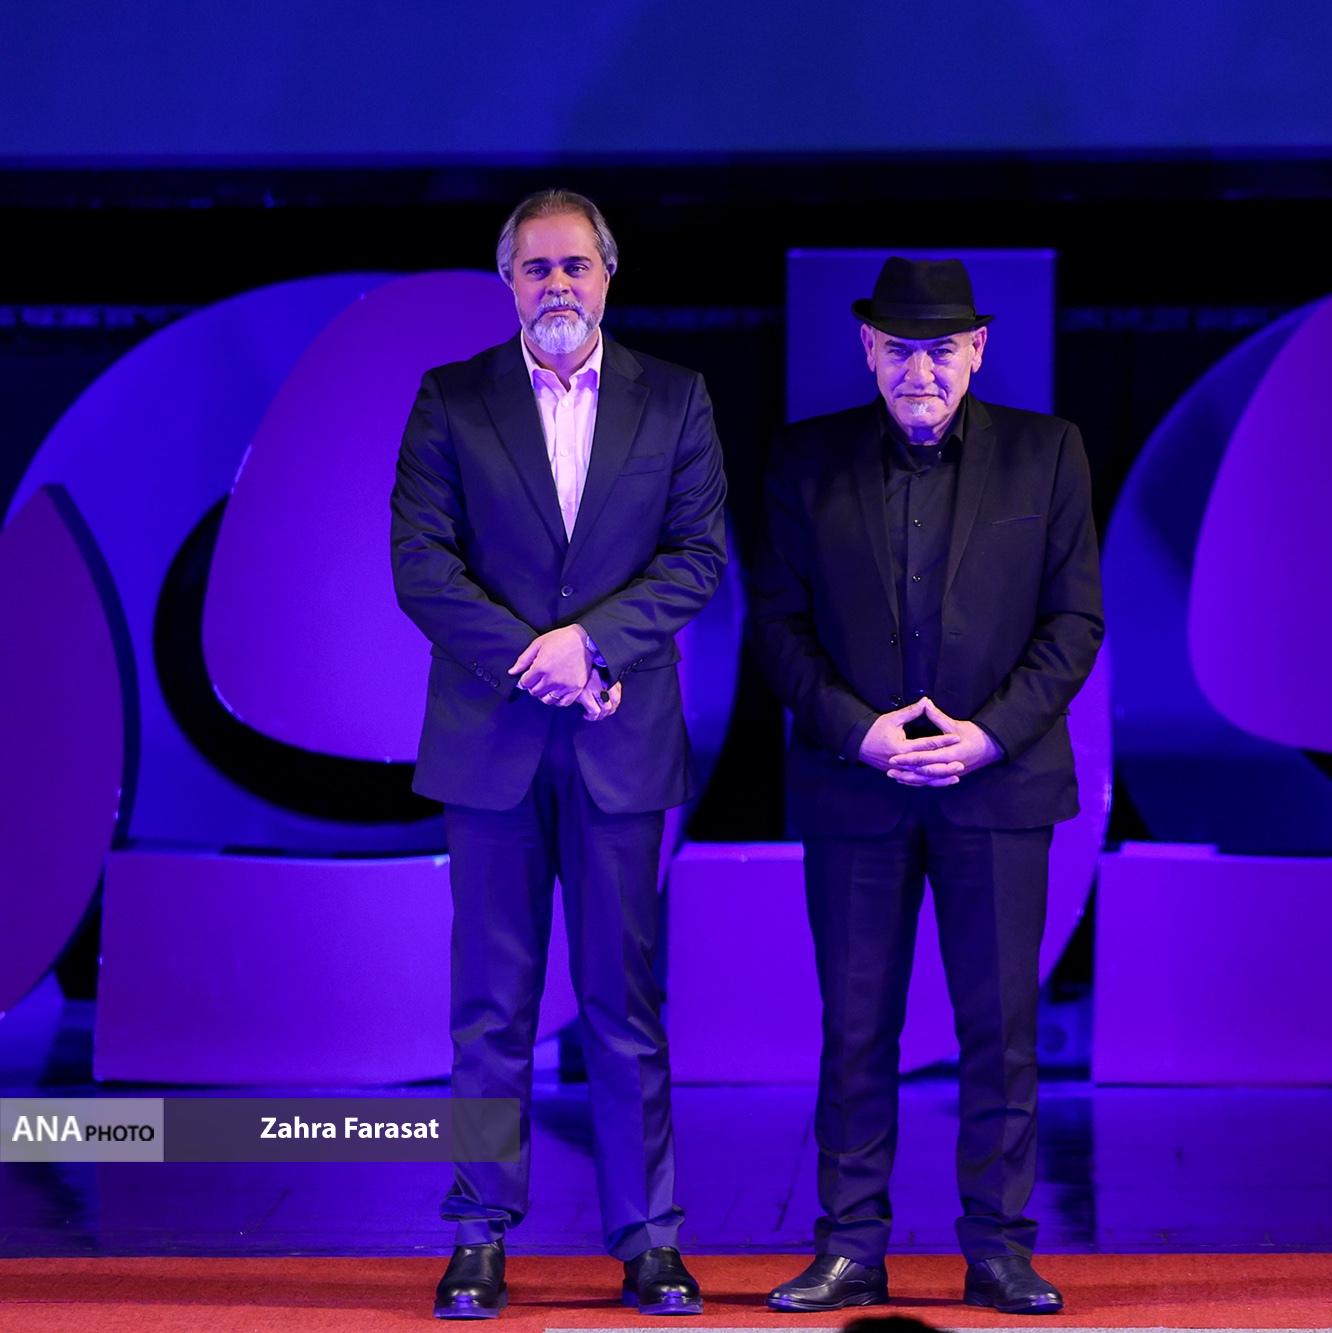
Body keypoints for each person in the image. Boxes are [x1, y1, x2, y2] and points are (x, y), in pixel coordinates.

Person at [390, 189, 726, 1319]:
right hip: (489, 745)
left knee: (624, 1001)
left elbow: (696, 556)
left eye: (575, 265)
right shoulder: (451, 399)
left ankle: (649, 1239)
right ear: (508, 283)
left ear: (608, 275)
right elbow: (422, 564)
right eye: (535, 268)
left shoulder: (674, 399)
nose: (557, 286)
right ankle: (477, 1233)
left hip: (619, 741)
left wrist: (592, 643)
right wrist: (534, 660)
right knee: (490, 1004)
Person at [751, 257, 1101, 1315]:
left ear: (977, 349)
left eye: (941, 349)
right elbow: (778, 628)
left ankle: (998, 1249)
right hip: (855, 787)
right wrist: (858, 733)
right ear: (868, 348)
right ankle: (849, 1246)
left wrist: (986, 737)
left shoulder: (1048, 452)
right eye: (900, 349)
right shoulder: (803, 460)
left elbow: (1073, 621)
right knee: (856, 1029)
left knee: (999, 1030)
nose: (920, 370)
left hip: (996, 787)